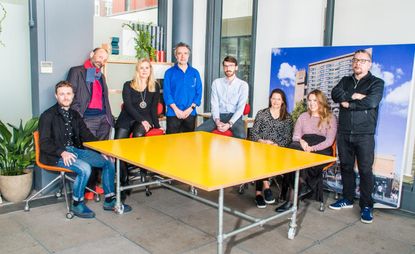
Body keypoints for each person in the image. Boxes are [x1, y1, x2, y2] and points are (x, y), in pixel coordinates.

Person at [38, 81, 131, 219]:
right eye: (62, 94)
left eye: (68, 93)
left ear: (73, 95)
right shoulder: (47, 115)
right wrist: (62, 152)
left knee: (108, 162)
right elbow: (44, 143)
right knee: (85, 168)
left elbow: (86, 135)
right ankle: (77, 203)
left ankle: (110, 200)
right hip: (56, 155)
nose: (65, 97)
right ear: (56, 96)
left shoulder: (75, 114)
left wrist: (102, 151)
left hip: (76, 151)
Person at [330, 49, 384, 224]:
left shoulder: (376, 83)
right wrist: (353, 95)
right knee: (346, 166)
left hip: (365, 135)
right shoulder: (345, 80)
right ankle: (347, 198)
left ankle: (366, 206)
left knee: (365, 170)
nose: (357, 63)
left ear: (369, 64)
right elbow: (335, 94)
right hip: (344, 132)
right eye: (355, 60)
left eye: (362, 60)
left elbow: (371, 102)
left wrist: (349, 104)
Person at [277, 89, 337, 212]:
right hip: (303, 146)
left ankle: (291, 201)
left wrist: (312, 148)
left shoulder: (330, 118)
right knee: (292, 148)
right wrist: (303, 142)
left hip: (322, 149)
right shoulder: (303, 116)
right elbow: (296, 136)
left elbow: (329, 141)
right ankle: (302, 185)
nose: (311, 103)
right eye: (309, 100)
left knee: (299, 161)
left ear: (321, 101)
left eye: (315, 100)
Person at [67, 47, 114, 200]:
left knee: (101, 154)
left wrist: (109, 117)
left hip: (103, 120)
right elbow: (70, 95)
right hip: (87, 119)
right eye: (100, 56)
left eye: (104, 59)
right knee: (89, 153)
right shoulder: (77, 71)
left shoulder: (101, 76)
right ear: (92, 55)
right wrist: (78, 117)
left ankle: (97, 185)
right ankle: (88, 188)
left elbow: (103, 98)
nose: (102, 61)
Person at [114, 58, 161, 200]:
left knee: (138, 136)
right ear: (137, 70)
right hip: (127, 117)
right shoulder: (128, 85)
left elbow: (153, 109)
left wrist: (156, 126)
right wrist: (142, 120)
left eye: (147, 68)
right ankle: (124, 179)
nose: (145, 70)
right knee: (118, 146)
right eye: (142, 68)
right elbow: (128, 106)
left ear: (150, 70)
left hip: (145, 120)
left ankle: (141, 169)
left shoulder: (155, 86)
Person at [249, 89, 293, 208]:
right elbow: (254, 132)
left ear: (283, 101)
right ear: (270, 99)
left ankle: (259, 193)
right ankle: (266, 188)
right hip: (261, 146)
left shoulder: (287, 118)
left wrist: (275, 145)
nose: (275, 101)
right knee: (260, 157)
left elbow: (288, 138)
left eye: (278, 99)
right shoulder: (262, 113)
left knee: (264, 158)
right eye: (273, 98)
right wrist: (262, 141)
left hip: (277, 150)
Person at [195, 56, 249, 139]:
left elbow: (240, 108)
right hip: (218, 115)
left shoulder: (243, 85)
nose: (228, 68)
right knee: (198, 131)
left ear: (236, 67)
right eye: (226, 66)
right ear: (223, 67)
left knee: (241, 135)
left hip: (234, 116)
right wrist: (217, 121)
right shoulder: (216, 83)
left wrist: (229, 124)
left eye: (231, 66)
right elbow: (214, 104)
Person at [163, 42, 202, 134]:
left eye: (185, 53)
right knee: (171, 143)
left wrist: (190, 109)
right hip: (173, 113)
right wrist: (176, 110)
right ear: (176, 56)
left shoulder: (195, 73)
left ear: (188, 55)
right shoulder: (169, 72)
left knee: (188, 143)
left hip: (190, 113)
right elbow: (167, 93)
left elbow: (199, 93)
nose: (182, 56)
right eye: (179, 53)